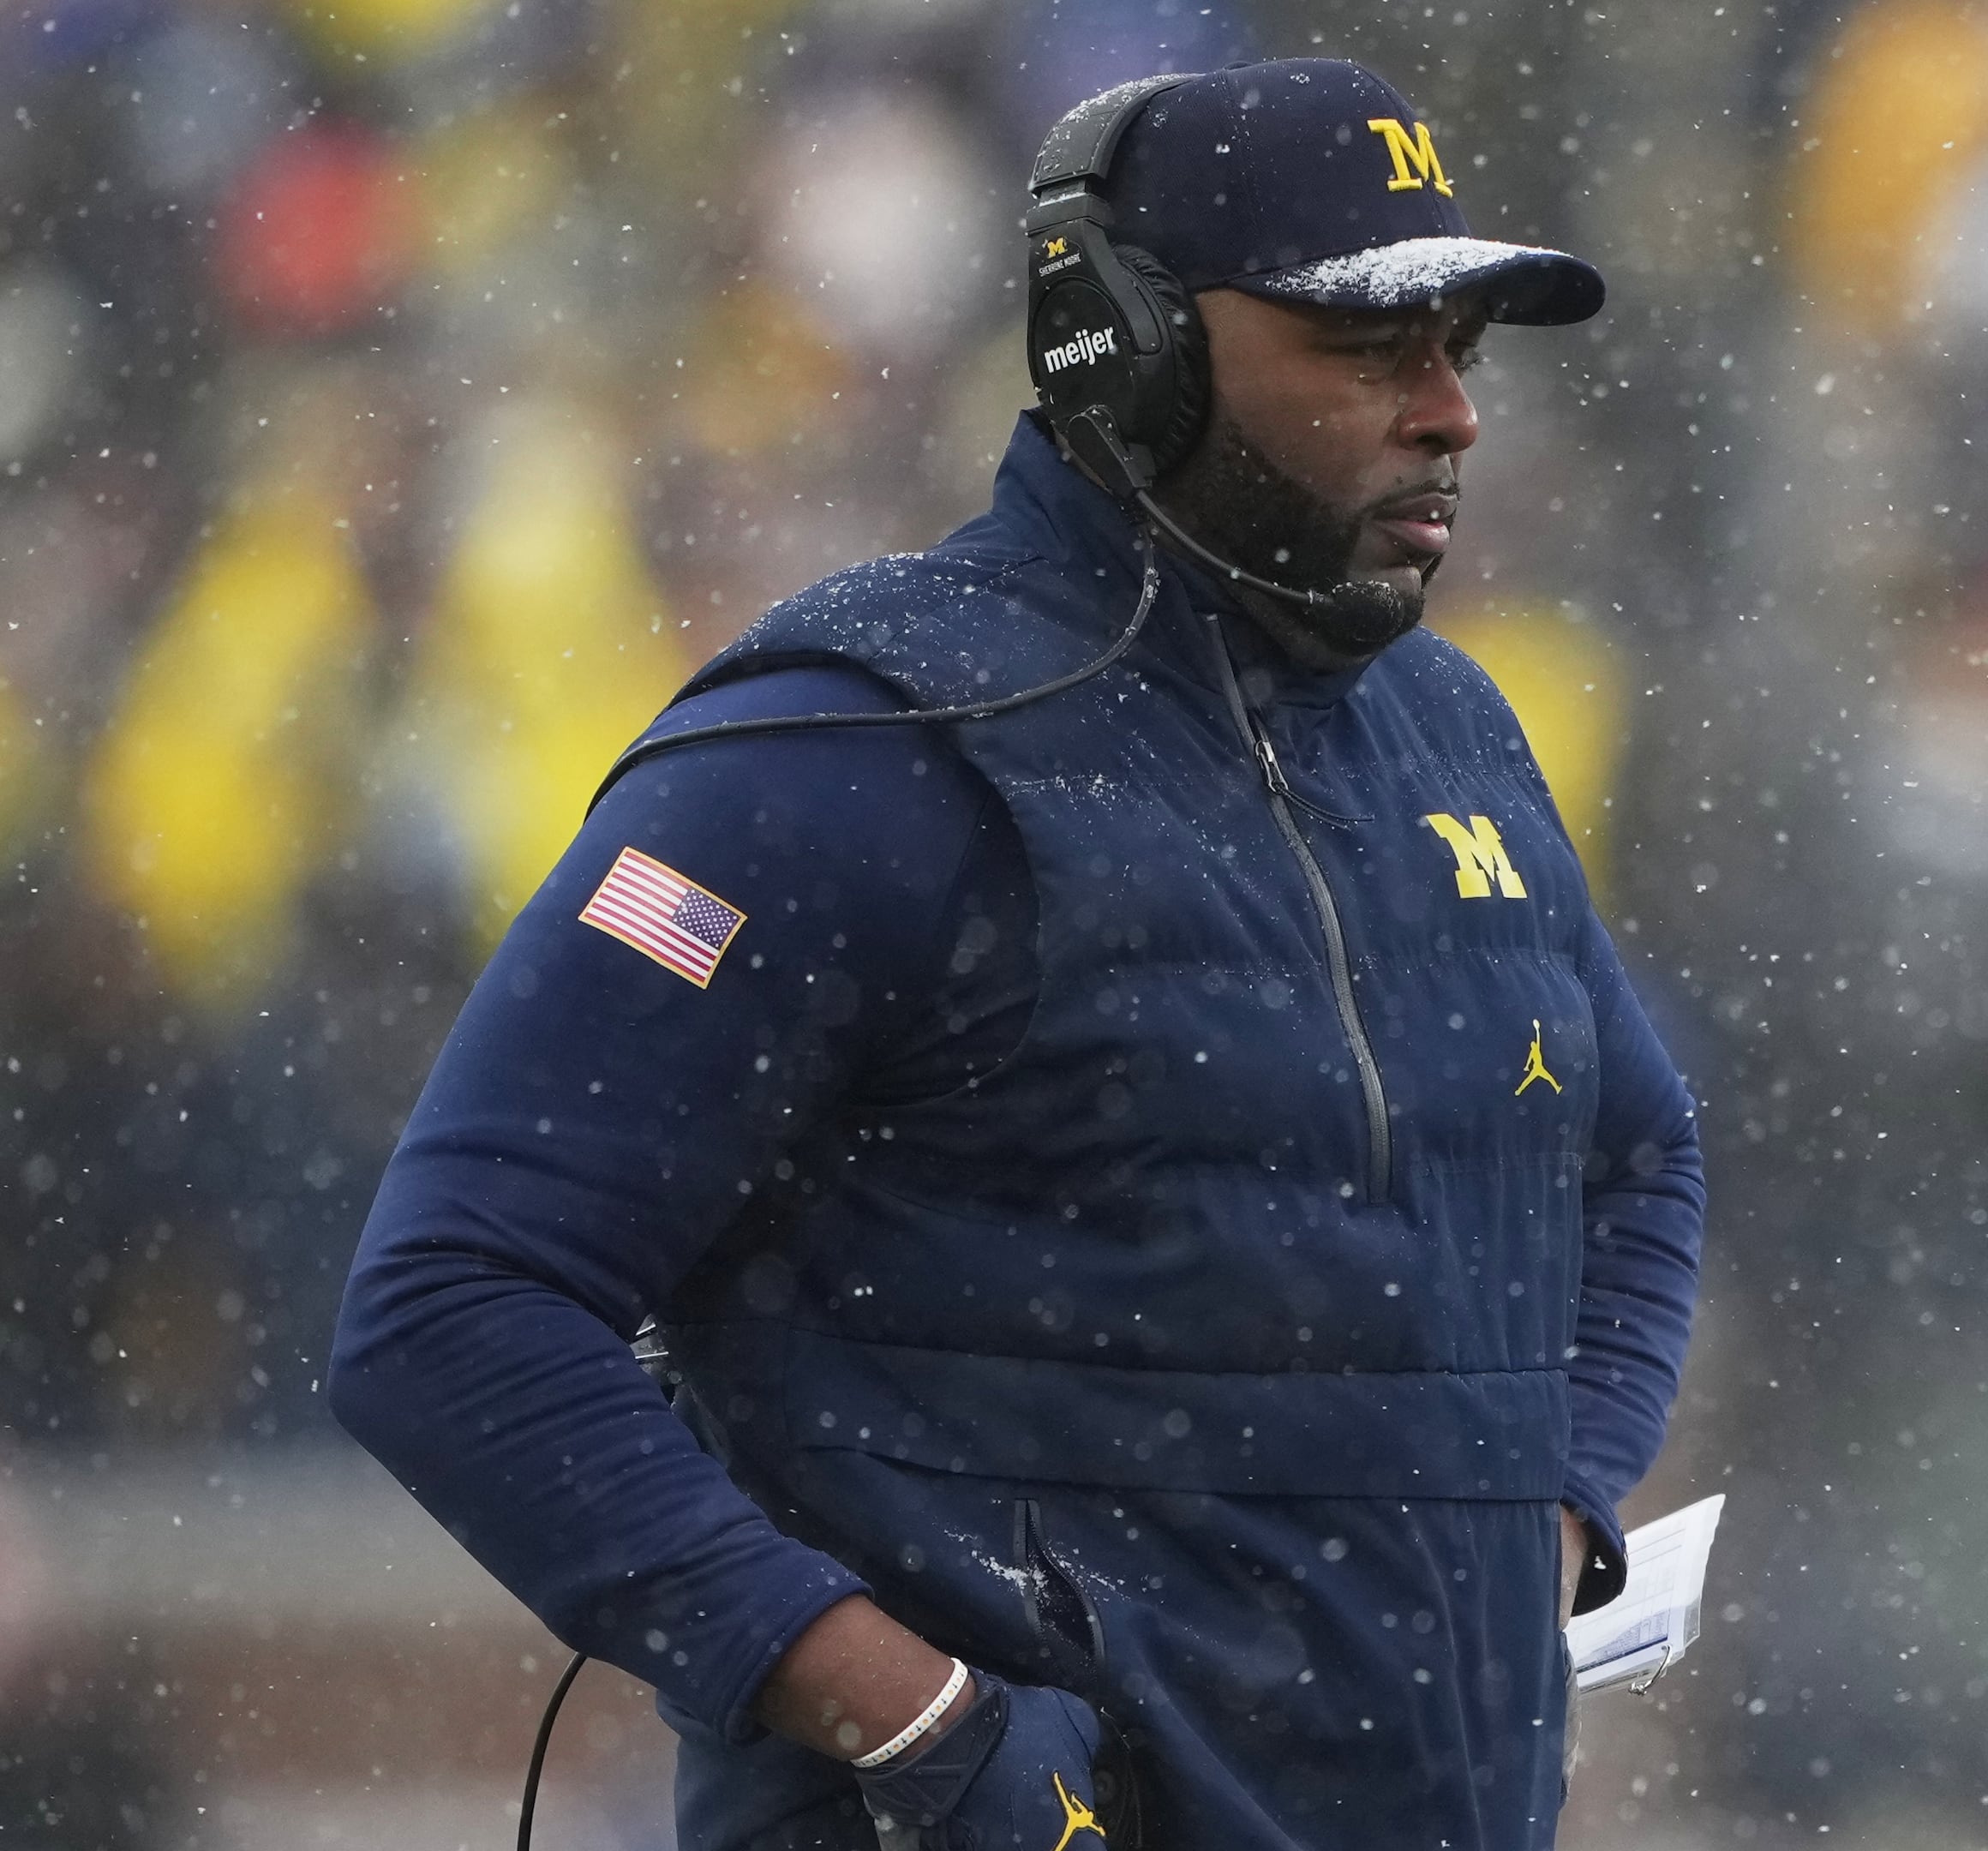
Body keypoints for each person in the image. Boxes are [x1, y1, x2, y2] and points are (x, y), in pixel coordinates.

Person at [330, 59, 1704, 1851]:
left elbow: (1640, 1159)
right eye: (1371, 344)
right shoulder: (842, 746)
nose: (1449, 411)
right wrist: (914, 1723)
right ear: (1124, 346)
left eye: (1461, 347)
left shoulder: (1453, 731)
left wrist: (1551, 1516)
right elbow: (452, 1305)